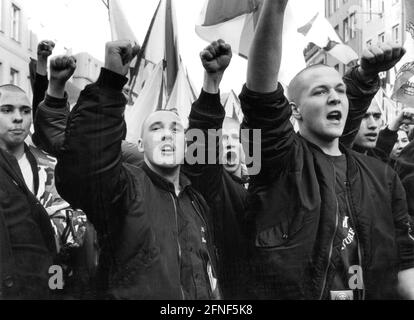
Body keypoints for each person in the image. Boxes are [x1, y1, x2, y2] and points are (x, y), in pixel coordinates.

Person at [240, 0, 414, 300]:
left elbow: (405, 264)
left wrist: (363, 76)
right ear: (295, 110)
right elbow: (260, 96)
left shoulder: (383, 176)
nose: (335, 98)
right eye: (320, 92)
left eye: (340, 91)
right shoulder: (280, 162)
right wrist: (275, 7)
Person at [53, 40, 220, 300]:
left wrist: (211, 84)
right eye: (156, 128)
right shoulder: (125, 188)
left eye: (175, 129)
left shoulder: (197, 200)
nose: (167, 135)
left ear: (187, 143)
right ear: (140, 143)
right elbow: (85, 167)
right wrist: (110, 83)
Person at [182, 40, 251, 299]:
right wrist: (211, 84)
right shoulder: (212, 186)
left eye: (236, 139)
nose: (230, 145)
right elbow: (199, 154)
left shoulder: (260, 186)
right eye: (223, 140)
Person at [0, 84, 57, 299]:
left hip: (44, 281)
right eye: (7, 110)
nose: (18, 118)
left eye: (25, 111)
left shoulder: (51, 166)